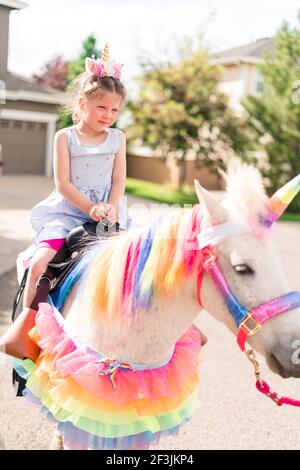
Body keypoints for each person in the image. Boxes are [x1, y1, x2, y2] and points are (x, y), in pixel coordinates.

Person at [22, 43, 129, 311]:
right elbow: (63, 183)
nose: (108, 115)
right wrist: (88, 207)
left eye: (114, 110)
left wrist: (111, 208)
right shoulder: (65, 137)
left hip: (106, 214)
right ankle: (25, 330)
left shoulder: (117, 138)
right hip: (67, 212)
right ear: (83, 103)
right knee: (40, 263)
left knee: (130, 268)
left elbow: (118, 180)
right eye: (102, 107)